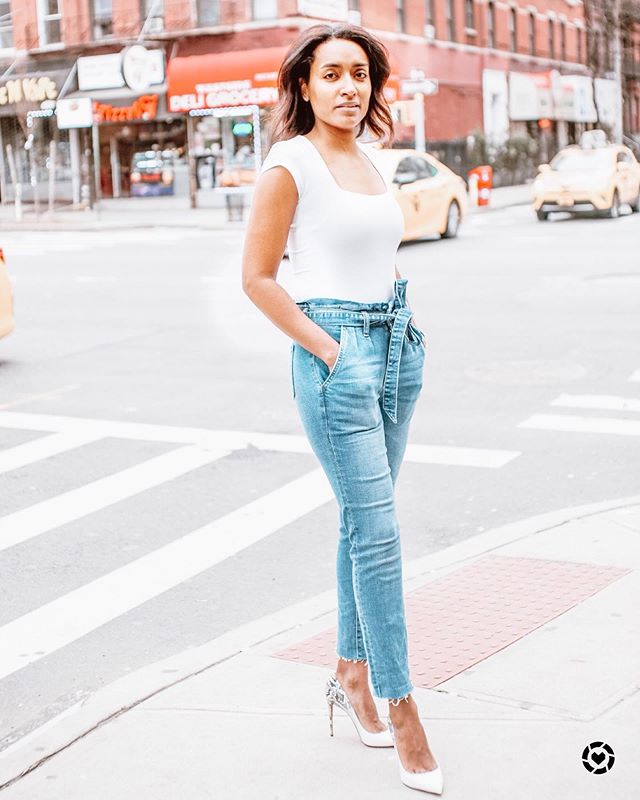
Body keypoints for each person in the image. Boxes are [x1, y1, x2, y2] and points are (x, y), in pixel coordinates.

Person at [241, 23, 443, 795]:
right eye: (332, 75)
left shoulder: (367, 161)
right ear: (303, 85)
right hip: (338, 360)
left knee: (364, 524)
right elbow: (258, 278)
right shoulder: (289, 163)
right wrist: (328, 350)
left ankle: (352, 674)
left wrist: (397, 337)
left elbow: (375, 255)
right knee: (381, 535)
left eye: (359, 74)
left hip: (397, 345)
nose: (348, 88)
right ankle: (401, 705)